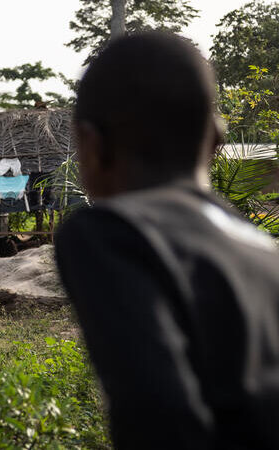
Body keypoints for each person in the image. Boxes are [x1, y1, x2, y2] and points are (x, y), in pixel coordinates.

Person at [55, 32, 279, 449]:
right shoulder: (262, 249)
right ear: (215, 139)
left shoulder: (113, 233)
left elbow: (159, 414)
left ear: (91, 145)